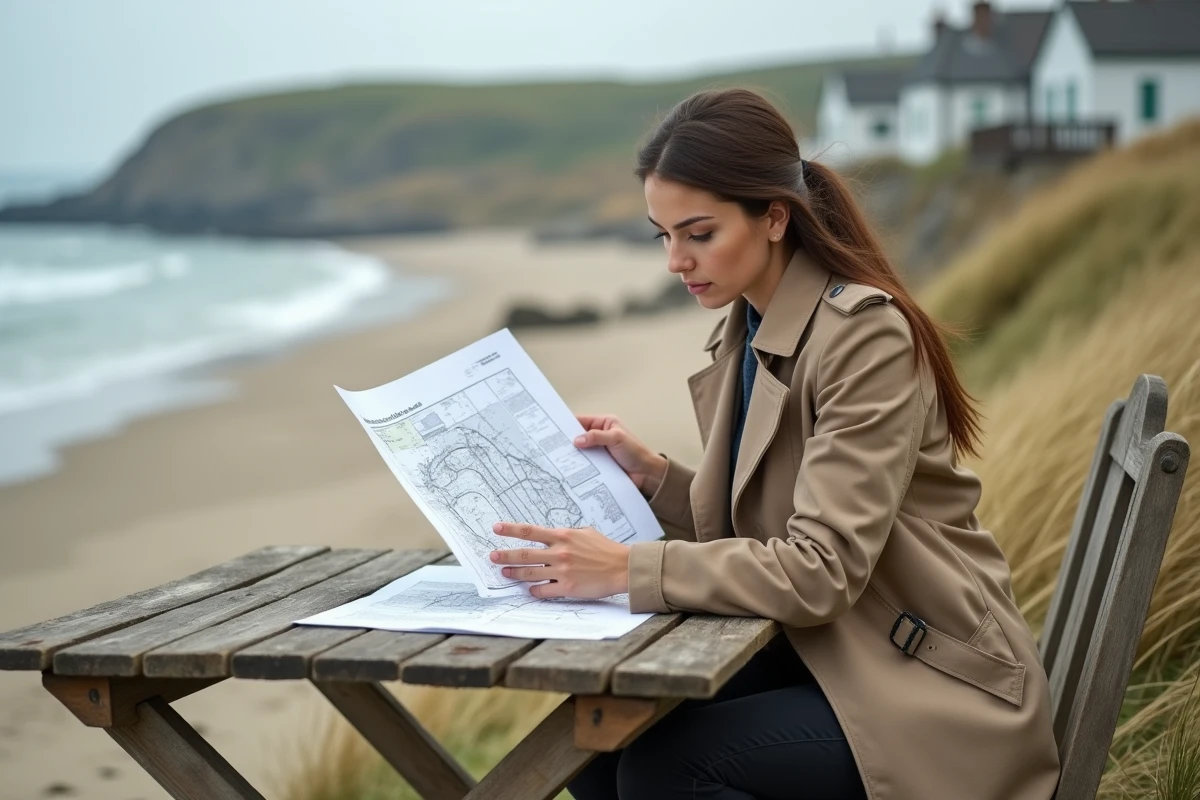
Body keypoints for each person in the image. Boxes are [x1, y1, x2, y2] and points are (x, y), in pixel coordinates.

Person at [489, 88, 1061, 800]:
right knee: (595, 741)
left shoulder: (865, 338)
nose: (676, 260)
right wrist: (656, 480)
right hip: (832, 655)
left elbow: (820, 569)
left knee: (667, 770)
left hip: (932, 686)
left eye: (699, 234)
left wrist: (626, 569)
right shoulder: (749, 327)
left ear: (774, 217)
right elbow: (768, 527)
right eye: (662, 235)